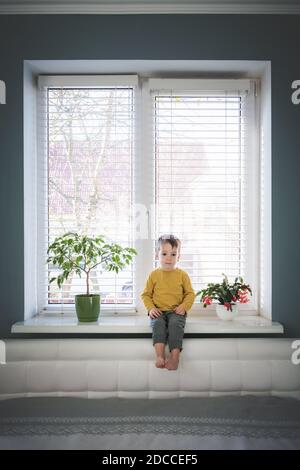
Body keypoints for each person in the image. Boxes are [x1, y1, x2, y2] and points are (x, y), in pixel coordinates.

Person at [141, 234, 195, 371]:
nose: (169, 257)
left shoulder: (182, 275)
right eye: (164, 253)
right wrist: (151, 308)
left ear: (179, 256)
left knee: (175, 324)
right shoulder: (154, 275)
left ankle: (175, 358)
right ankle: (159, 356)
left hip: (175, 311)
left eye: (173, 254)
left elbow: (190, 293)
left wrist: (184, 306)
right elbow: (146, 294)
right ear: (157, 255)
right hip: (158, 311)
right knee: (157, 324)